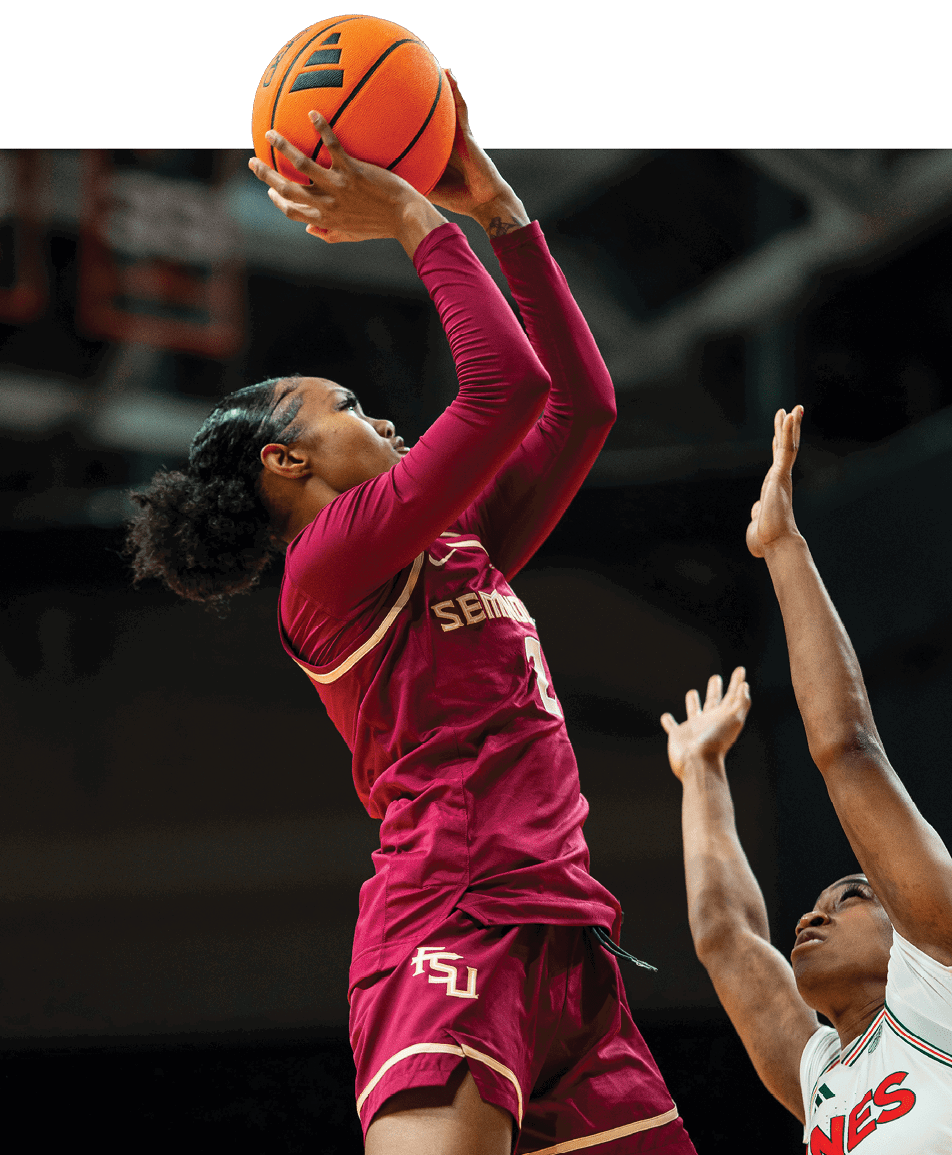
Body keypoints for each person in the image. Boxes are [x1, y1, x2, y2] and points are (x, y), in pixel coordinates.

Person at [128, 74, 696, 1155]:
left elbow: (579, 402)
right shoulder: (326, 566)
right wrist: (410, 219)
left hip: (566, 937)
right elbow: (499, 394)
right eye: (344, 405)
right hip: (450, 918)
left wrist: (499, 211)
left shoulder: (450, 545)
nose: (376, 410)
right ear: (284, 462)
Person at [661, 406, 952, 1153]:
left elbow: (849, 748)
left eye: (851, 895)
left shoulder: (941, 981)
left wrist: (784, 549)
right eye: (821, 901)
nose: (810, 917)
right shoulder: (825, 1071)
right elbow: (727, 938)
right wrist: (701, 774)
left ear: (908, 930)